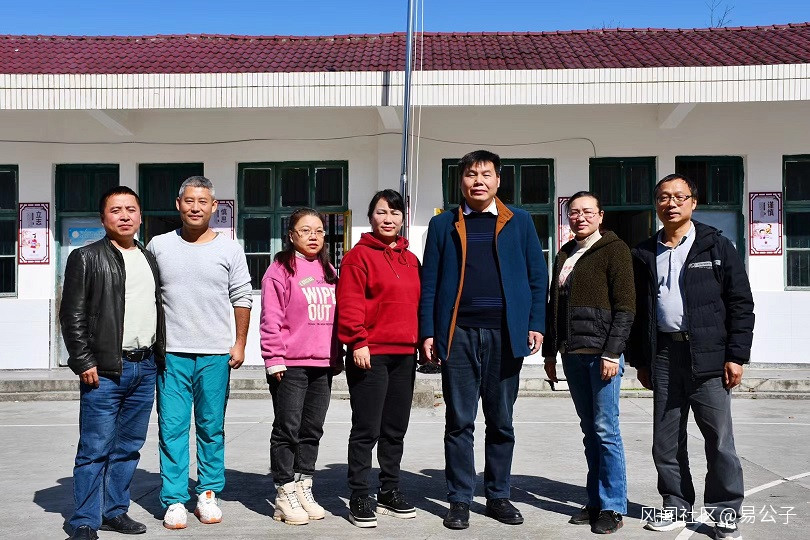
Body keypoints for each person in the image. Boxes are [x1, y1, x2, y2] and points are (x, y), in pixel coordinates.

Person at [419, 150, 548, 530]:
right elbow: (430, 283)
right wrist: (428, 331)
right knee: (459, 421)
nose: (479, 181)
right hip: (458, 333)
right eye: (471, 174)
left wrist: (535, 322)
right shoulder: (442, 224)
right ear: (461, 180)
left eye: (486, 174)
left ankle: (498, 496)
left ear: (498, 180)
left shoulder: (519, 222)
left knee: (501, 420)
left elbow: (537, 276)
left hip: (505, 334)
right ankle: (459, 499)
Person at [628, 174, 754, 540]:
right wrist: (641, 360)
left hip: (710, 356)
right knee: (666, 440)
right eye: (663, 197)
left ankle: (725, 512)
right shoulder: (644, 252)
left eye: (679, 197)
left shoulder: (716, 245)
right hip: (664, 356)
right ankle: (675, 505)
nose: (671, 203)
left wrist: (736, 355)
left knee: (719, 440)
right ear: (656, 204)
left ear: (693, 203)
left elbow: (740, 303)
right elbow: (638, 313)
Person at [147, 176, 253, 530]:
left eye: (202, 201)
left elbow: (242, 296)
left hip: (215, 354)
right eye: (189, 201)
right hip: (171, 354)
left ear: (214, 207)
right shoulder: (159, 245)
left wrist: (239, 343)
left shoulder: (230, 249)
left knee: (211, 428)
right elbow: (148, 296)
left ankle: (207, 493)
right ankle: (175, 499)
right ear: (178, 204)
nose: (195, 207)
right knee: (172, 428)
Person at [60, 186, 165, 540]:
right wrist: (82, 360)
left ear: (140, 216)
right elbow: (72, 314)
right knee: (94, 448)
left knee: (128, 447)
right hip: (104, 369)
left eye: (130, 209)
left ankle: (114, 510)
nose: (124, 216)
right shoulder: (86, 257)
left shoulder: (149, 258)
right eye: (116, 210)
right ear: (103, 218)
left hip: (145, 366)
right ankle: (85, 520)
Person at [542, 191, 634, 534]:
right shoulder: (565, 253)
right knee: (589, 431)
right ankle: (594, 499)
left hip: (601, 355)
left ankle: (613, 506)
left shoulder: (615, 250)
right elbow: (554, 307)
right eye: (574, 212)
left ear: (600, 215)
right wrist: (550, 352)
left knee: (606, 430)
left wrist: (612, 352)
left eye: (587, 212)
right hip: (572, 354)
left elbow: (625, 306)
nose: (580, 217)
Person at [337, 189, 421, 528]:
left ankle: (389, 490)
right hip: (370, 354)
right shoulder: (357, 257)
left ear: (402, 219)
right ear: (370, 217)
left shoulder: (411, 259)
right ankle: (359, 493)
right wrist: (357, 341)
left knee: (395, 428)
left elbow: (418, 304)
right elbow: (350, 302)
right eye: (381, 212)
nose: (388, 219)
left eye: (395, 213)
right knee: (366, 428)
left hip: (405, 354)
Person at [260, 208, 342, 525]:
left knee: (312, 430)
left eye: (319, 231)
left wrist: (337, 355)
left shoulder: (328, 269)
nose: (313, 236)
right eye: (305, 230)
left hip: (323, 363)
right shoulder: (280, 270)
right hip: (291, 365)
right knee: (287, 429)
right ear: (291, 235)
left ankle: (303, 484)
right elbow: (271, 319)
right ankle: (284, 492)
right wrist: (273, 358)